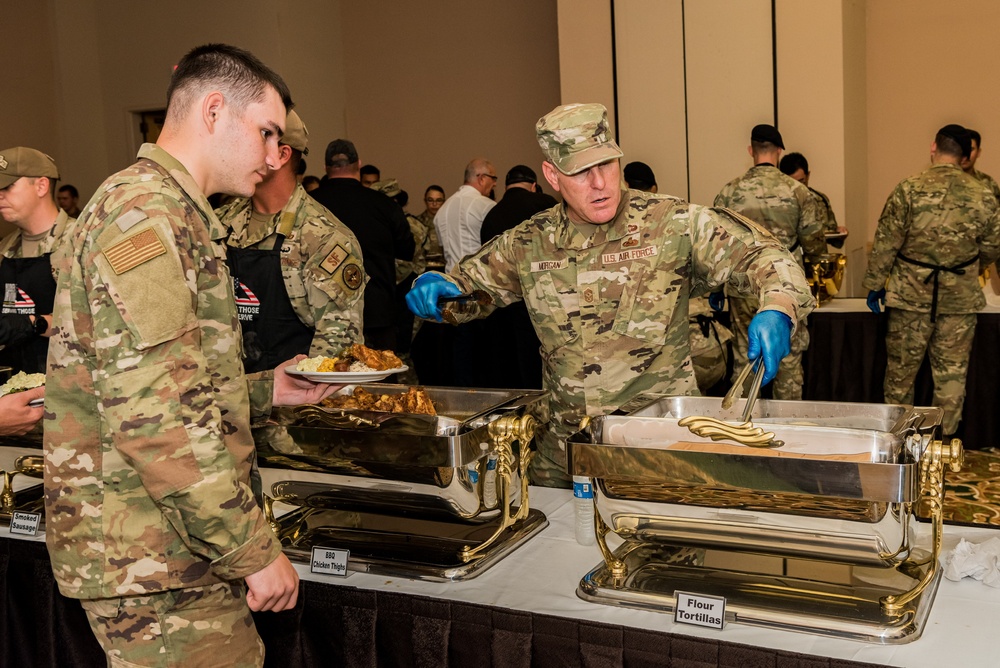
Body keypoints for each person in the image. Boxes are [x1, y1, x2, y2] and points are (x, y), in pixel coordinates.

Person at [44, 44, 340, 667]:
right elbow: (156, 421)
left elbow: (157, 379)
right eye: (266, 133)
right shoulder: (146, 214)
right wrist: (252, 551)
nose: (273, 156)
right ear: (212, 111)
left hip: (168, 546)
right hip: (155, 556)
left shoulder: (174, 211)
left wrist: (265, 390)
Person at [407, 103, 814, 486]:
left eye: (606, 163)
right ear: (552, 176)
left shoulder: (672, 224)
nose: (600, 183)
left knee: (662, 560)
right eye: (582, 172)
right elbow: (467, 291)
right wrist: (437, 290)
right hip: (563, 458)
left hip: (658, 452)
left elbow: (765, 255)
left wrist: (778, 307)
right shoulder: (530, 242)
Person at [864, 124, 1000, 437]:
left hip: (910, 297)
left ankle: (897, 449)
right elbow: (993, 247)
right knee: (951, 380)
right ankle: (944, 451)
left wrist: (874, 283)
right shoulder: (984, 194)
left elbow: (886, 241)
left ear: (933, 147)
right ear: (965, 157)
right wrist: (964, 265)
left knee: (900, 379)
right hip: (959, 299)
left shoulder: (908, 189)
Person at [216, 109, 366, 373]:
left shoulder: (324, 237)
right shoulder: (220, 224)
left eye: (245, 142)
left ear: (281, 155)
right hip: (226, 400)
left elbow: (335, 350)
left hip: (296, 405)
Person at [714, 124, 825, 400]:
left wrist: (716, 290)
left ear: (751, 150)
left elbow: (715, 247)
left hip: (741, 287)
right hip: (785, 287)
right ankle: (787, 436)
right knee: (787, 361)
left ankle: (742, 431)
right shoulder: (798, 191)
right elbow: (814, 243)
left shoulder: (728, 192)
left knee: (745, 356)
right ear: (779, 151)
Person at [311, 139, 414, 351]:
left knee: (329, 380)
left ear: (325, 168)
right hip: (377, 313)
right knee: (382, 379)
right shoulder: (384, 205)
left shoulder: (310, 205)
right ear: (359, 164)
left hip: (322, 316)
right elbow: (407, 250)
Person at [476, 164, 558, 389]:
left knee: (506, 367)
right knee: (535, 369)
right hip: (540, 302)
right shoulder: (545, 204)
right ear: (533, 186)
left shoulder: (491, 214)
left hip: (499, 305)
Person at [0, 146, 71, 374]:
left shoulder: (81, 242)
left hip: (70, 383)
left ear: (41, 186)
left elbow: (101, 324)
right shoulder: (5, 249)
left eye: (7, 187)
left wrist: (34, 324)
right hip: (16, 385)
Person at [434, 158, 497, 272]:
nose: (495, 183)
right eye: (493, 178)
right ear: (482, 178)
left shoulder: (442, 210)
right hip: (478, 282)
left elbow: (442, 251)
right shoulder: (486, 206)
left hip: (450, 282)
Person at [779, 151, 849, 248]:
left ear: (808, 176)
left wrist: (840, 233)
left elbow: (833, 237)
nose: (798, 187)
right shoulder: (775, 203)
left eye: (801, 182)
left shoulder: (820, 200)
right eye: (792, 183)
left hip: (816, 260)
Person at [962, 129, 1000, 202]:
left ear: (978, 152)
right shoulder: (944, 180)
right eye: (962, 149)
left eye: (970, 149)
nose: (966, 155)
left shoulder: (988, 182)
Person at [417, 184, 446, 269]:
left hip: (445, 268)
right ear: (425, 201)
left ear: (444, 201)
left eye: (438, 200)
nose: (434, 204)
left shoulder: (449, 223)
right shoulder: (417, 223)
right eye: (430, 200)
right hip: (422, 268)